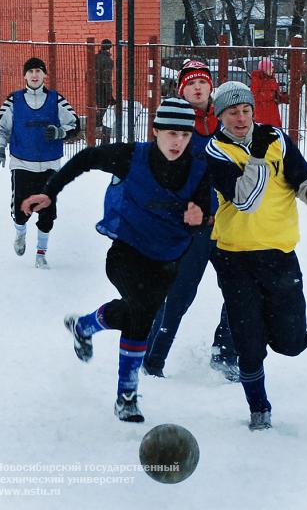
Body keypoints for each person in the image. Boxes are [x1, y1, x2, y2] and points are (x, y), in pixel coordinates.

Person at [21, 98, 211, 423]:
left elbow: (206, 209)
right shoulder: (131, 156)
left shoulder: (197, 169)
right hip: (126, 253)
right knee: (140, 312)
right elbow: (86, 158)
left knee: (138, 315)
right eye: (170, 133)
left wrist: (202, 215)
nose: (177, 141)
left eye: (184, 134)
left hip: (167, 262)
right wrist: (50, 191)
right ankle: (127, 397)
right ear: (155, 131)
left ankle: (84, 325)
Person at [205, 81, 307, 431]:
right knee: (248, 340)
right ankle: (258, 407)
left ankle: (270, 331)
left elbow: (300, 174)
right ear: (221, 117)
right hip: (235, 257)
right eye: (233, 113)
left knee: (292, 342)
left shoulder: (275, 138)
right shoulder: (215, 152)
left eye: (245, 110)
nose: (241, 118)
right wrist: (257, 158)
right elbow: (245, 200)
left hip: (279, 254)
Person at [142, 60, 238, 381]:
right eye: (191, 84)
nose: (198, 88)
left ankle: (225, 354)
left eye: (203, 83)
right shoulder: (175, 124)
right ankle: (153, 360)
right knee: (179, 295)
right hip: (192, 227)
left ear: (212, 87)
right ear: (182, 91)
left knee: (240, 291)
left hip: (228, 225)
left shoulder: (228, 120)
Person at [0, 57, 80, 268]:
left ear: (45, 75)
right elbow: (0, 128)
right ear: (24, 76)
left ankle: (41, 254)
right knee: (21, 212)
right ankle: (20, 233)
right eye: (30, 71)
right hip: (22, 164)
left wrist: (60, 131)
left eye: (39, 71)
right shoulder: (14, 100)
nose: (35, 74)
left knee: (48, 213)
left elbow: (74, 123)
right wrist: (0, 150)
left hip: (50, 166)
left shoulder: (56, 100)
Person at [250, 58, 289, 127]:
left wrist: (285, 98)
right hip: (262, 112)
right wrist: (270, 95)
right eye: (270, 67)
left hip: (272, 112)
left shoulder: (272, 79)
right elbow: (254, 96)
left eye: (272, 68)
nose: (272, 69)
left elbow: (276, 94)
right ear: (265, 69)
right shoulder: (257, 79)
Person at [95, 38, 114, 144]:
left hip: (93, 89)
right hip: (103, 90)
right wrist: (110, 96)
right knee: (107, 116)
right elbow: (107, 80)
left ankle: (91, 130)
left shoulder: (94, 58)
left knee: (100, 113)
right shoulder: (108, 61)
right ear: (110, 48)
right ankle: (105, 141)